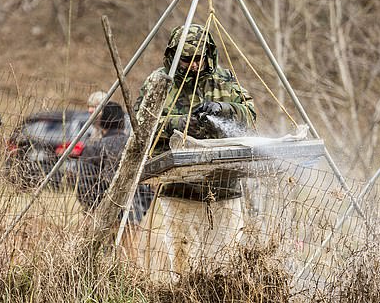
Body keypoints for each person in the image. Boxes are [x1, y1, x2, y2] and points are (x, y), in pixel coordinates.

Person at [134, 23, 256, 278]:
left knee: (227, 260)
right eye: (188, 59)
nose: (194, 65)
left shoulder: (223, 80)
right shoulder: (160, 82)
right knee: (182, 260)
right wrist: (181, 124)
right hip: (179, 189)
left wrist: (221, 109)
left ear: (208, 55)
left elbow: (250, 117)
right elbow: (141, 123)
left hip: (225, 186)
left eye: (199, 58)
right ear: (175, 56)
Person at [76, 101, 154, 256]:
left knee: (94, 259)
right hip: (132, 214)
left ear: (102, 122)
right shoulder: (138, 148)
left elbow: (84, 186)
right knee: (128, 262)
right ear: (122, 123)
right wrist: (140, 210)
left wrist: (92, 210)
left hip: (99, 216)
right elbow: (148, 185)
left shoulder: (94, 148)